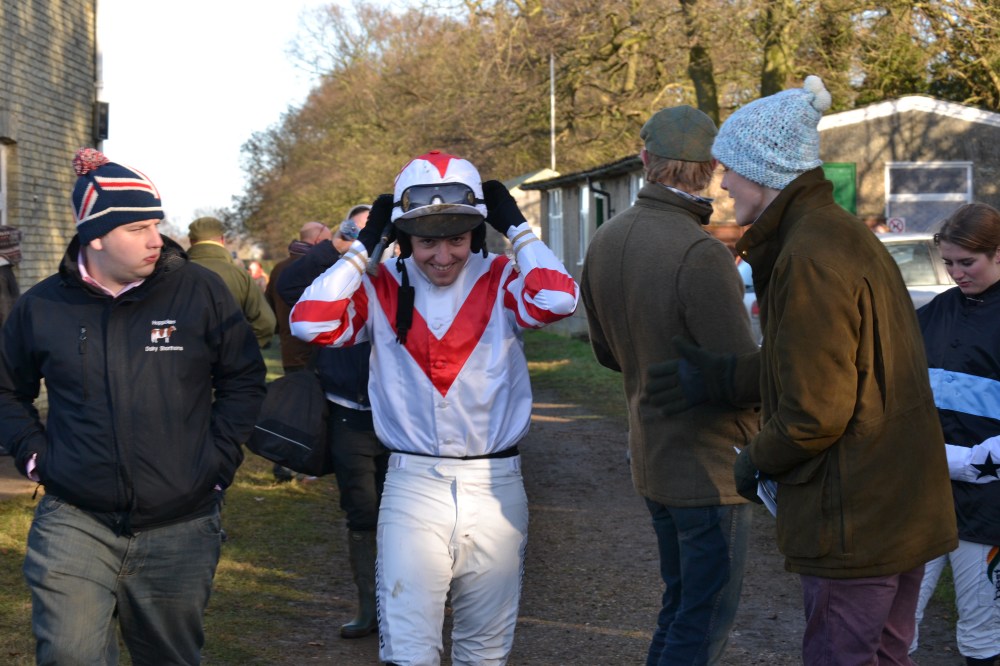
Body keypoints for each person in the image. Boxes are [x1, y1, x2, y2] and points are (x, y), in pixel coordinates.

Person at [650, 76, 958, 665]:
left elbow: (817, 411)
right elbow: (834, 361)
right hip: (901, 502)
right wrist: (724, 377)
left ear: (763, 170)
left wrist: (754, 461)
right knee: (888, 655)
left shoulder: (809, 253)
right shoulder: (838, 234)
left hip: (857, 516)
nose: (722, 184)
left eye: (730, 169)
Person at [289, 150, 579, 665]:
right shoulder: (381, 283)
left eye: (456, 239)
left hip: (497, 485)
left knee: (484, 651)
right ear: (403, 237)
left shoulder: (505, 277)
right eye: (426, 241)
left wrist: (517, 226)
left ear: (477, 233)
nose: (442, 256)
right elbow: (310, 322)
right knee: (407, 649)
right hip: (411, 484)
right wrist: (366, 243)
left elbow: (558, 300)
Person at [0, 148, 266, 665]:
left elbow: (244, 379)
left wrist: (216, 463)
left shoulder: (200, 291)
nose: (156, 239)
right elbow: (5, 391)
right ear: (95, 236)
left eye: (156, 224)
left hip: (182, 522)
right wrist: (37, 458)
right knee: (69, 654)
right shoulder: (43, 306)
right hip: (75, 519)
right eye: (138, 228)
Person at [580, 105, 760, 665]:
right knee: (702, 622)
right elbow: (738, 376)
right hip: (711, 467)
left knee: (680, 605)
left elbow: (607, 353)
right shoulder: (701, 253)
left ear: (644, 159)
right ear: (711, 168)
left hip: (650, 455)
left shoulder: (605, 239)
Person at [276, 204, 390, 639]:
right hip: (348, 411)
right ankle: (369, 607)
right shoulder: (333, 278)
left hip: (400, 414)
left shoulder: (399, 274)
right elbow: (287, 284)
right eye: (356, 231)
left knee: (407, 511)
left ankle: (409, 598)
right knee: (361, 509)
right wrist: (341, 246)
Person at [910, 203, 1000, 666]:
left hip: (988, 506)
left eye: (968, 262)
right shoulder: (937, 311)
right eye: (948, 262)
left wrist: (970, 462)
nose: (956, 273)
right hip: (923, 497)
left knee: (981, 632)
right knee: (894, 621)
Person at [187, 216, 276, 348]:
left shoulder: (174, 274)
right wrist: (243, 349)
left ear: (191, 241)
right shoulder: (240, 275)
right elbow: (266, 322)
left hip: (186, 361)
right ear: (222, 240)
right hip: (231, 359)